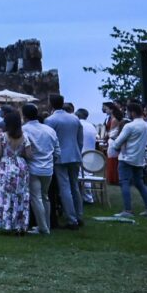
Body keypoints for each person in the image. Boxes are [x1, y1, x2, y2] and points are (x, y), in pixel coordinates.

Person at [45, 94, 84, 228]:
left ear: (51, 103)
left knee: (64, 187)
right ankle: (79, 215)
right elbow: (80, 139)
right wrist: (78, 151)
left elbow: (49, 141)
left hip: (60, 157)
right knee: (75, 186)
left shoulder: (50, 120)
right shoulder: (74, 118)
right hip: (75, 155)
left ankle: (71, 219)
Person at [109, 103, 147, 217]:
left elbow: (117, 143)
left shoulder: (129, 126)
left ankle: (128, 210)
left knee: (124, 182)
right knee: (139, 183)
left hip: (126, 158)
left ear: (132, 112)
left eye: (128, 112)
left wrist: (114, 142)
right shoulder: (146, 126)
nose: (127, 114)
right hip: (139, 159)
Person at [0, 115, 32, 234]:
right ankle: (20, 224)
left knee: (6, 196)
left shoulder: (2, 136)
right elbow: (29, 155)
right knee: (21, 196)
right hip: (21, 166)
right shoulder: (25, 136)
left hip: (6, 166)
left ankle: (7, 223)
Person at [20, 104, 57, 235]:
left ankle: (42, 227)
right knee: (45, 196)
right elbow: (57, 150)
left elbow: (23, 149)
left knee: (36, 197)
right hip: (48, 167)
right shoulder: (49, 130)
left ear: (24, 115)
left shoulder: (24, 130)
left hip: (32, 167)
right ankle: (46, 224)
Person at [104, 106, 125, 186]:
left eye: (107, 109)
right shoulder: (114, 119)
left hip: (112, 140)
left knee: (112, 159)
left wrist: (106, 136)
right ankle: (114, 178)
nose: (106, 110)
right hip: (113, 140)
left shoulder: (114, 120)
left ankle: (113, 178)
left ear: (112, 110)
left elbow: (111, 132)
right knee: (113, 159)